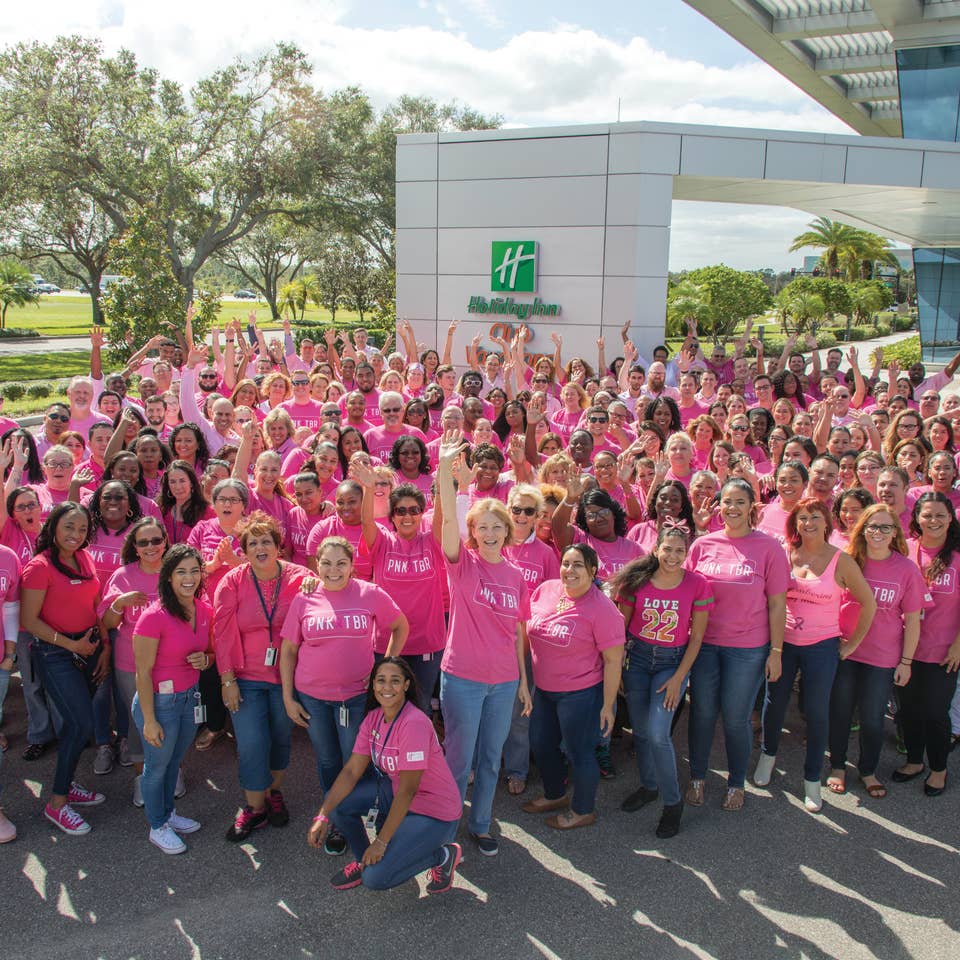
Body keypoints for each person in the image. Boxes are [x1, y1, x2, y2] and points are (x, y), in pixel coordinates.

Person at [435, 431, 532, 857]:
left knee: (491, 759)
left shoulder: (515, 576)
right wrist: (444, 471)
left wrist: (524, 683)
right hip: (463, 679)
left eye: (497, 527)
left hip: (504, 681)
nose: (490, 533)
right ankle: (445, 827)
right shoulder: (463, 564)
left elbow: (517, 634)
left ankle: (480, 823)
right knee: (458, 761)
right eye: (483, 527)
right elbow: (449, 522)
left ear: (507, 532)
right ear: (473, 531)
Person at [280, 536, 407, 857]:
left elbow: (400, 626)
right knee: (327, 760)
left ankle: (357, 814)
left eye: (341, 563)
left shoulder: (369, 593)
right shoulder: (304, 599)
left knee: (357, 760)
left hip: (355, 697)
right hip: (313, 698)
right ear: (317, 565)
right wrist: (288, 698)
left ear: (352, 565)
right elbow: (289, 650)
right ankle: (335, 817)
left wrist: (385, 671)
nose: (333, 570)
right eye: (326, 563)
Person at [754, 499, 876, 812]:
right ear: (794, 523)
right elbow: (772, 601)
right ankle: (767, 757)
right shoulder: (785, 555)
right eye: (802, 518)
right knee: (774, 701)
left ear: (827, 523)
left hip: (822, 645)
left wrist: (850, 646)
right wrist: (774, 649)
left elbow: (868, 604)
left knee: (818, 711)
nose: (808, 523)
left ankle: (811, 780)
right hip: (784, 643)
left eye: (815, 517)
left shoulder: (842, 561)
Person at [306, 658, 463, 894]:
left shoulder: (414, 723)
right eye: (381, 680)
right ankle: (364, 861)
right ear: (373, 685)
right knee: (337, 803)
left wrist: (381, 842)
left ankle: (442, 855)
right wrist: (322, 815)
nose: (387, 687)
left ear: (406, 686)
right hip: (398, 795)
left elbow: (409, 789)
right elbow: (350, 771)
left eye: (395, 681)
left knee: (375, 880)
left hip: (433, 811)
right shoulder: (374, 718)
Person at [685, 478, 789, 812]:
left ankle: (735, 782)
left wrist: (776, 651)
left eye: (739, 502)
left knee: (735, 718)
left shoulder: (769, 547)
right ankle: (698, 777)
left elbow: (777, 604)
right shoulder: (703, 545)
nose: (732, 508)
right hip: (704, 645)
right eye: (726, 502)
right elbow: (686, 592)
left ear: (752, 508)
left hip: (748, 648)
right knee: (701, 713)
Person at [611, 526, 712, 837]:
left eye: (680, 551)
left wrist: (680, 678)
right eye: (667, 549)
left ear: (687, 554)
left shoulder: (697, 585)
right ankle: (649, 786)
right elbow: (620, 628)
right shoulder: (636, 581)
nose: (673, 556)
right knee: (640, 732)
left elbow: (697, 638)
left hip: (672, 663)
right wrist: (616, 674)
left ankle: (673, 803)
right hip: (638, 660)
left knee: (658, 733)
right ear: (656, 549)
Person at [214, 513, 309, 840]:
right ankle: (254, 808)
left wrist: (316, 583)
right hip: (246, 678)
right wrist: (227, 680)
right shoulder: (233, 581)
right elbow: (222, 632)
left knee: (280, 740)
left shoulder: (301, 577)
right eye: (252, 543)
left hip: (287, 678)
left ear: (278, 546)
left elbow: (325, 595)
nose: (260, 547)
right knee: (252, 743)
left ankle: (273, 793)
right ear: (244, 550)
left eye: (265, 540)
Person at [827, 505, 930, 799]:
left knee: (873, 719)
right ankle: (837, 766)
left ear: (895, 532)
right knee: (841, 712)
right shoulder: (849, 561)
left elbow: (913, 620)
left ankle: (868, 769)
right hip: (845, 651)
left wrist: (906, 662)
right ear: (862, 529)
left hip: (882, 656)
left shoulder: (906, 568)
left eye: (886, 527)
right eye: (873, 526)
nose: (879, 533)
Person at [20, 502, 108, 834]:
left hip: (89, 646)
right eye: (69, 526)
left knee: (77, 725)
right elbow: (29, 621)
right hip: (57, 652)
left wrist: (104, 647)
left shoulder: (84, 558)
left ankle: (67, 784)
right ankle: (56, 804)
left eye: (82, 529)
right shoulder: (39, 568)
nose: (75, 534)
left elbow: (95, 604)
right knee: (80, 722)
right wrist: (72, 645)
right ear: (54, 527)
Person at [523, 543, 625, 830]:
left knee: (580, 752)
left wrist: (607, 706)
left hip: (580, 694)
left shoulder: (602, 609)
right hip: (544, 689)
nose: (569, 570)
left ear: (593, 571)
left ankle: (582, 810)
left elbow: (614, 660)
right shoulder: (546, 590)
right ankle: (555, 794)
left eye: (578, 565)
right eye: (566, 563)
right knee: (541, 744)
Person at [131, 544, 212, 854]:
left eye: (194, 571)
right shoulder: (153, 617)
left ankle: (168, 814)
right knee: (156, 766)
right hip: (160, 703)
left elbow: (209, 655)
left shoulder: (204, 610)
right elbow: (143, 672)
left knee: (173, 762)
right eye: (181, 572)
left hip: (190, 698)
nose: (188, 578)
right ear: (167, 577)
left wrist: (204, 661)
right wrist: (150, 720)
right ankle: (157, 825)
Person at [98, 517, 169, 807]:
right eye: (144, 542)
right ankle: (143, 778)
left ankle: (172, 770)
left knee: (171, 721)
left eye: (156, 540)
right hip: (133, 664)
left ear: (165, 541)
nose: (151, 546)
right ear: (135, 548)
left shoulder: (176, 572)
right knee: (140, 722)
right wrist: (120, 603)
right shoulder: (122, 575)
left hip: (173, 665)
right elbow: (107, 621)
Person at [895, 494, 960, 796]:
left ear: (950, 518)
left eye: (940, 515)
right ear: (917, 518)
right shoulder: (905, 550)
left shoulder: (958, 557)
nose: (933, 521)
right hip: (904, 648)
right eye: (927, 515)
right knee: (907, 709)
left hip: (942, 650)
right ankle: (913, 760)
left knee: (935, 711)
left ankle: (938, 768)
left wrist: (958, 646)